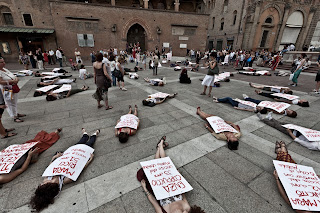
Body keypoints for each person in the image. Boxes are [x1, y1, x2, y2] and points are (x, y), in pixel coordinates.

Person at [30, 128, 98, 212]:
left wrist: (54, 157)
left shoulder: (47, 178)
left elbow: (51, 166)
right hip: (79, 155)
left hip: (70, 154)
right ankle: (95, 134)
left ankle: (85, 134)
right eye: (44, 184)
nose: (42, 182)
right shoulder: (65, 180)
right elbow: (80, 168)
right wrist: (90, 159)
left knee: (79, 142)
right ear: (52, 186)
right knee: (90, 143)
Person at [137, 136, 205, 213]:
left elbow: (154, 203)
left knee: (157, 166)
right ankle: (160, 146)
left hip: (160, 185)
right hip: (172, 183)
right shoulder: (187, 207)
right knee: (165, 163)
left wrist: (145, 189)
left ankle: (160, 147)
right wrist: (179, 177)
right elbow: (182, 192)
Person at [0, 57, 26, 122]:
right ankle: (14, 116)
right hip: (7, 89)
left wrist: (16, 79)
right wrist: (11, 82)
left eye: (4, 61)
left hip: (13, 87)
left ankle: (16, 113)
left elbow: (13, 75)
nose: (4, 63)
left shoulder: (5, 69)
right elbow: (0, 82)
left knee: (14, 102)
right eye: (1, 62)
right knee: (10, 103)